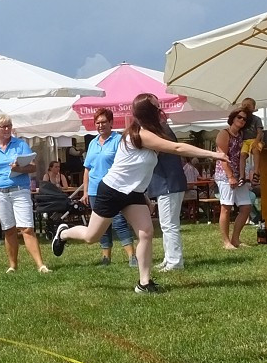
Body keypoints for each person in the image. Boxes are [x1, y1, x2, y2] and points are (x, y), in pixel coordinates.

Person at [52, 94, 225, 292]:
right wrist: (214, 154)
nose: (160, 108)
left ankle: (144, 283)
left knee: (146, 233)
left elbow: (139, 171)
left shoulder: (149, 133)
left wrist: (142, 195)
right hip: (112, 191)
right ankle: (63, 233)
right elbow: (177, 147)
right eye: (156, 106)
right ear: (149, 112)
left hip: (133, 193)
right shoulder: (141, 134)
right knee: (92, 237)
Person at [0, 114, 50, 273]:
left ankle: (41, 265)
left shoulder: (21, 145)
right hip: (0, 192)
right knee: (9, 229)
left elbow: (33, 167)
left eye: (9, 126)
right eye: (3, 126)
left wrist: (19, 169)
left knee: (27, 228)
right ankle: (13, 265)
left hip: (20, 190)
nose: (6, 129)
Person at [80, 108, 137, 267]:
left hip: (113, 189)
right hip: (94, 191)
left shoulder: (119, 140)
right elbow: (87, 168)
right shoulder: (92, 142)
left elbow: (125, 163)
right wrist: (85, 191)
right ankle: (106, 258)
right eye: (97, 123)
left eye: (104, 122)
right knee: (101, 226)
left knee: (119, 222)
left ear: (111, 123)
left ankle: (132, 256)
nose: (100, 125)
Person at [148, 119, 189, 269]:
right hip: (168, 183)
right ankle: (169, 257)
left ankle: (175, 261)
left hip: (169, 184)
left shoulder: (160, 130)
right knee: (167, 224)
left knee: (169, 225)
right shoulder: (161, 129)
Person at [214, 108, 253, 250]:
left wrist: (242, 174)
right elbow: (222, 156)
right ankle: (226, 242)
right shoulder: (224, 134)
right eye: (239, 117)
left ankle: (235, 239)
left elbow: (242, 156)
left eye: (244, 119)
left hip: (238, 175)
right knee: (226, 207)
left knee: (246, 206)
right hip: (225, 175)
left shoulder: (241, 135)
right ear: (232, 118)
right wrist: (230, 176)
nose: (242, 120)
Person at [239, 97, 264, 183]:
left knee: (256, 150)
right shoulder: (241, 119)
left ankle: (256, 172)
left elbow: (260, 132)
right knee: (242, 155)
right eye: (244, 105)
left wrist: (256, 141)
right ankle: (242, 176)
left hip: (255, 139)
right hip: (245, 141)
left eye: (248, 105)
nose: (246, 107)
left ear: (253, 108)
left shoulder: (256, 119)